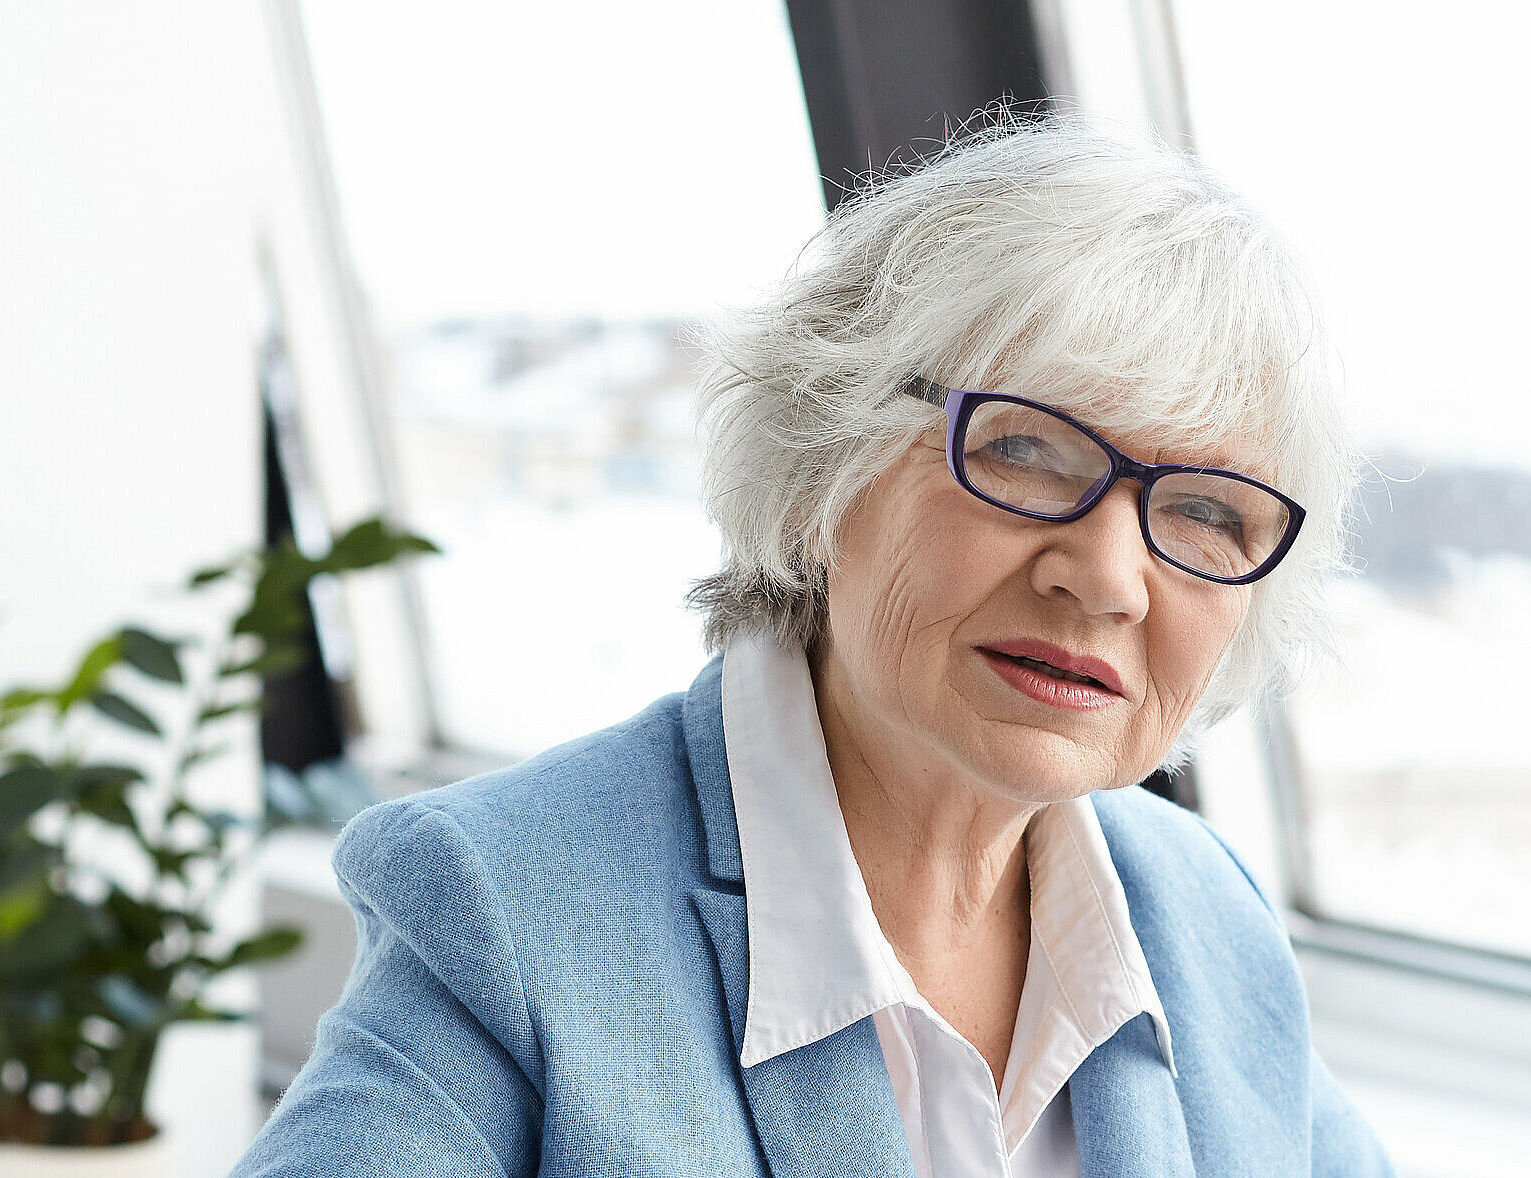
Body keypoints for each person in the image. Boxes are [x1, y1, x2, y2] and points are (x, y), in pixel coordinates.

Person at [234, 116, 1392, 1177]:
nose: (1104, 577)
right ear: (822, 464)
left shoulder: (1205, 917)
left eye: (1207, 512)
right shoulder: (506, 908)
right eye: (1026, 450)